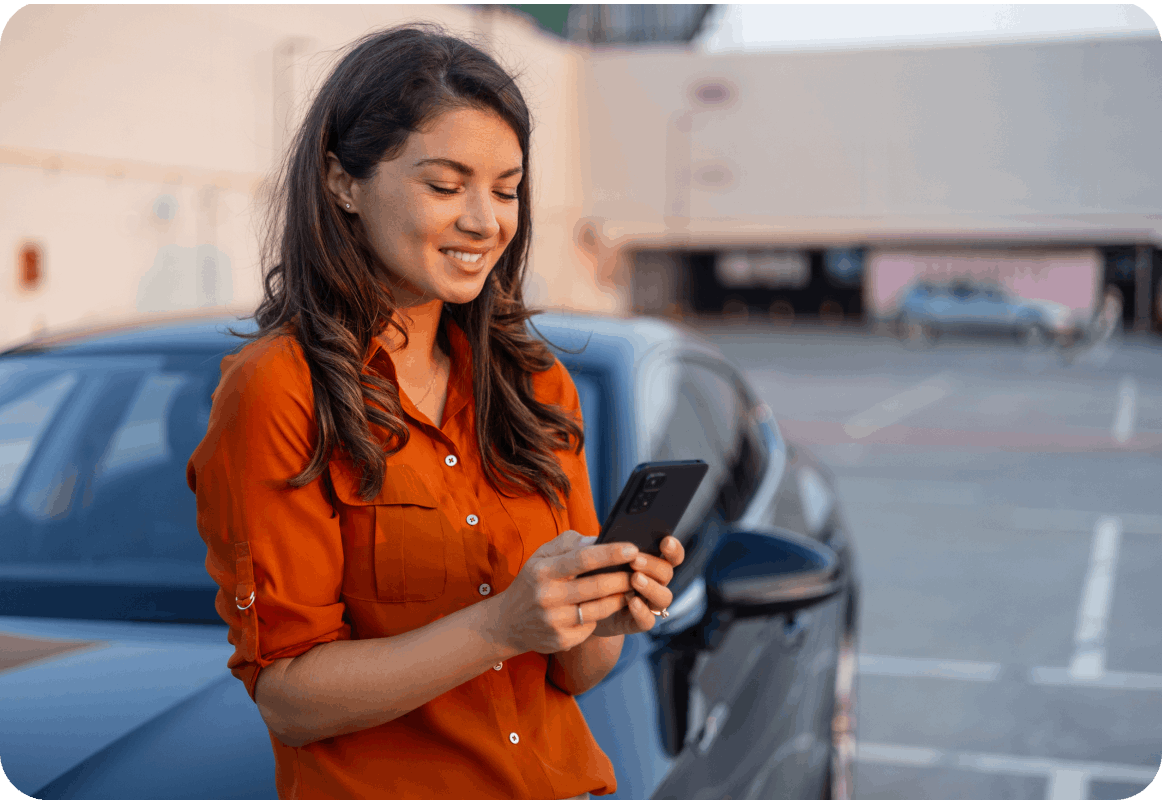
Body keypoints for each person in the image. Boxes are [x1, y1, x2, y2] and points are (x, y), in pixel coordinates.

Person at [186, 25, 683, 800]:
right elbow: (288, 697)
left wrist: (603, 611)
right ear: (343, 184)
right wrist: (499, 627)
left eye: (507, 189)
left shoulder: (535, 382)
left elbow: (577, 671)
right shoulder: (278, 391)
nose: (486, 222)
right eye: (446, 186)